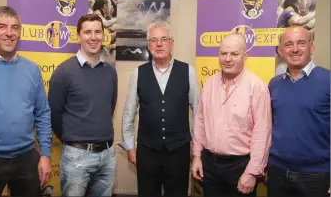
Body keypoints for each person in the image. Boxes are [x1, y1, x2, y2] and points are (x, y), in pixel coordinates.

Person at [0, 6, 52, 196]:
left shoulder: (32, 69)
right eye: (2, 27)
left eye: (15, 28)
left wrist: (45, 154)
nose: (9, 33)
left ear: (20, 32)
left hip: (26, 159)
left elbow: (42, 113)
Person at [120, 21, 200, 197]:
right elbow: (128, 113)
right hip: (147, 152)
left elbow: (198, 113)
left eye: (164, 39)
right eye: (154, 40)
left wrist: (197, 150)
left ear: (171, 43)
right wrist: (130, 148)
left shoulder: (188, 72)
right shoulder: (138, 73)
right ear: (148, 45)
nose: (159, 44)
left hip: (178, 152)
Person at [191, 33, 272, 197]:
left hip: (241, 166)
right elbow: (200, 121)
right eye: (223, 53)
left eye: (234, 54)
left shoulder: (257, 87)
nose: (227, 59)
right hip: (210, 164)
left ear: (245, 56)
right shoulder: (209, 83)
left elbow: (262, 133)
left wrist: (252, 172)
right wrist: (197, 156)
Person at [48, 13, 118, 197]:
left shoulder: (110, 72)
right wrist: (73, 140)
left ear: (103, 36)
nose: (93, 37)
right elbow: (55, 113)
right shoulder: (63, 72)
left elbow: (109, 107)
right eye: (87, 32)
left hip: (107, 155)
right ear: (78, 36)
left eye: (97, 32)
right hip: (77, 156)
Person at [267, 26, 330, 197]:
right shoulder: (274, 84)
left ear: (312, 47)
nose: (295, 49)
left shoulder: (328, 81)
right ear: (280, 51)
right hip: (276, 172)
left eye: (301, 43)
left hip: (316, 176)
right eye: (288, 44)